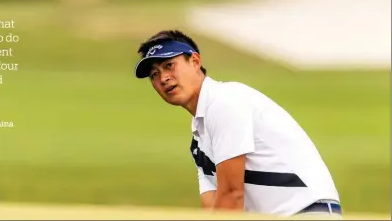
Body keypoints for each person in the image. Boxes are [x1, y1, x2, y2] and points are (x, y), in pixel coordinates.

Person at [133, 30, 342, 217]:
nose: (164, 78)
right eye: (154, 74)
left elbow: (232, 196)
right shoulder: (199, 140)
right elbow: (215, 208)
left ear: (195, 61)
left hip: (307, 212)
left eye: (169, 65)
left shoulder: (224, 101)